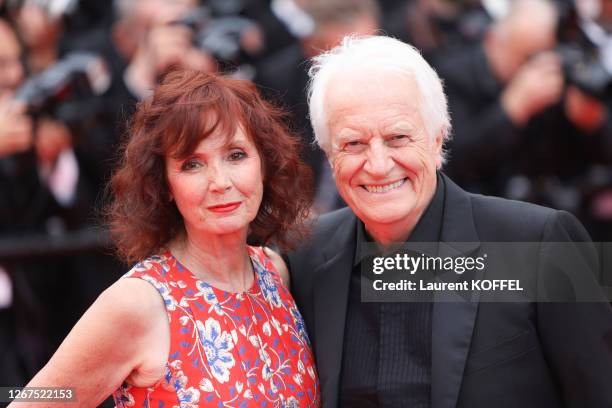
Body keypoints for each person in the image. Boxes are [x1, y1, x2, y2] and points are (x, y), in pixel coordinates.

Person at [285, 35, 612, 407]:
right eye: (353, 144)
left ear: (438, 138)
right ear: (329, 157)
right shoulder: (304, 255)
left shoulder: (537, 245)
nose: (377, 165)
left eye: (397, 138)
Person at [10, 70, 319, 407]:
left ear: (264, 164)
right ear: (165, 185)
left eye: (236, 155)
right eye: (192, 164)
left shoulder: (276, 273)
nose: (220, 181)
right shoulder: (137, 304)